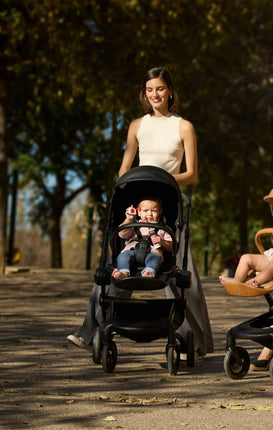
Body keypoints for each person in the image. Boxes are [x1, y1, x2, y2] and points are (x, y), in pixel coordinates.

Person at [67, 66, 214, 356]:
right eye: (149, 90)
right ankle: (89, 332)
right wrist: (127, 186)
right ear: (144, 93)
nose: (155, 94)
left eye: (160, 88)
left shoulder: (183, 126)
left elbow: (193, 173)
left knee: (183, 270)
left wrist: (163, 179)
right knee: (119, 264)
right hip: (139, 200)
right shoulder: (137, 125)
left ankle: (196, 342)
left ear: (170, 90)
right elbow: (125, 166)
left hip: (169, 200)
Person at [112, 197, 172, 279]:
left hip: (152, 253)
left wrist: (162, 242)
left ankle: (149, 272)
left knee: (155, 259)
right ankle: (123, 272)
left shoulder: (163, 228)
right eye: (145, 211)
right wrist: (128, 219)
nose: (150, 214)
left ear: (160, 211)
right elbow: (122, 234)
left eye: (154, 211)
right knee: (123, 256)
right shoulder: (133, 224)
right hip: (132, 251)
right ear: (139, 212)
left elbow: (171, 247)